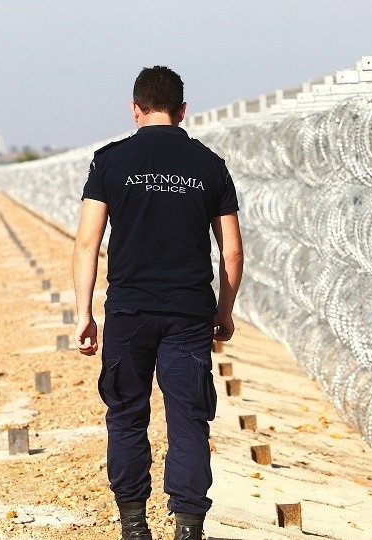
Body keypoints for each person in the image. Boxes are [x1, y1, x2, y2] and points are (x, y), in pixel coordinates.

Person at [72, 66, 244, 540]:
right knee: (188, 419)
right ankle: (188, 528)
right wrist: (224, 311)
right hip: (189, 313)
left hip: (127, 312)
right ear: (183, 110)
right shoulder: (209, 164)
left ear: (135, 109)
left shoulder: (109, 161)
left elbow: (88, 242)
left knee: (126, 416)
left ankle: (134, 527)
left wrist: (83, 314)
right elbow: (231, 249)